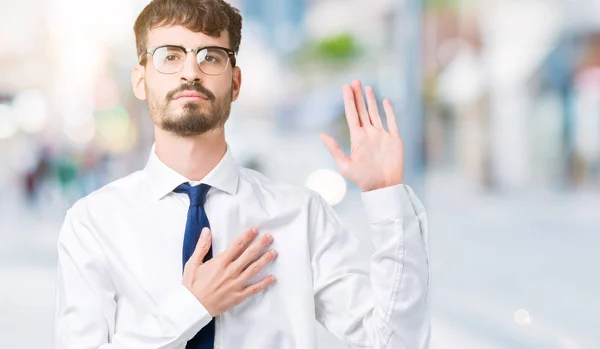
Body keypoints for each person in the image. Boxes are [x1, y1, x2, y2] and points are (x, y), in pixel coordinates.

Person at [53, 0, 431, 348]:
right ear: (140, 79)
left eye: (210, 57)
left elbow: (397, 341)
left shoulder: (301, 215)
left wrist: (385, 196)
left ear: (235, 82)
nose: (190, 72)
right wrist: (191, 307)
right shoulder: (93, 224)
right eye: (169, 56)